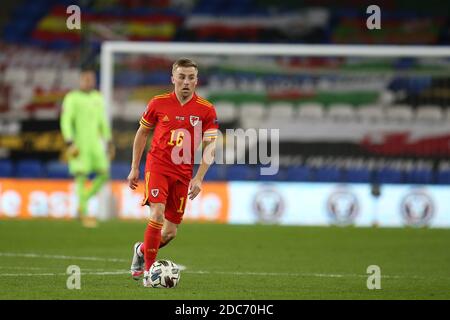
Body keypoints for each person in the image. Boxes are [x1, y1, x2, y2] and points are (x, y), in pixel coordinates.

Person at [127, 58, 218, 287]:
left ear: (196, 81)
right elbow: (142, 134)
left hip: (183, 173)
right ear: (173, 79)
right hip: (157, 166)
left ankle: (140, 250)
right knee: (156, 214)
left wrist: (199, 178)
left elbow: (211, 146)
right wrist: (134, 167)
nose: (186, 82)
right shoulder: (158, 103)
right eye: (182, 77)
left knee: (169, 233)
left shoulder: (206, 110)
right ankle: (149, 272)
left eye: (191, 77)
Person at [60, 69, 114, 228]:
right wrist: (69, 142)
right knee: (81, 177)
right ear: (80, 80)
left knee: (104, 173)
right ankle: (84, 213)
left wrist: (109, 140)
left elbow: (102, 122)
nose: (89, 82)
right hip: (79, 143)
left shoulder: (98, 97)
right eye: (86, 79)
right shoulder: (72, 98)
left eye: (91, 79)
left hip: (95, 144)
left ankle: (83, 201)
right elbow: (66, 121)